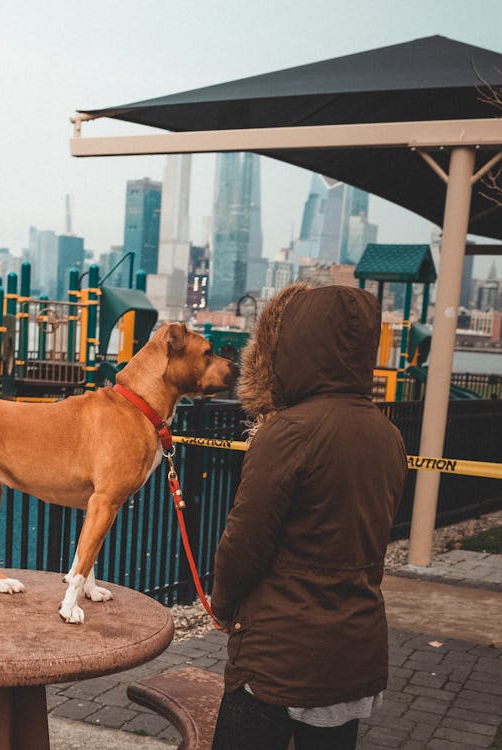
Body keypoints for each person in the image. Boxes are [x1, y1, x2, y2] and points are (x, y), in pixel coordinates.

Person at [210, 284, 407, 750]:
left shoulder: (288, 432)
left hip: (280, 655)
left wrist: (222, 604)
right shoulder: (387, 434)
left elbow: (244, 543)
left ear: (294, 343)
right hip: (354, 650)